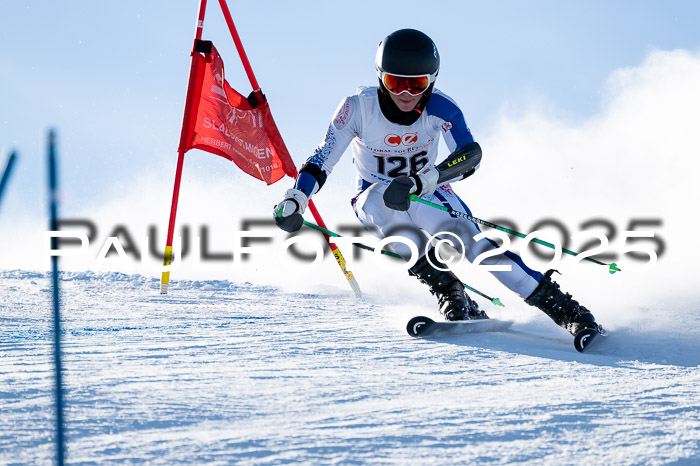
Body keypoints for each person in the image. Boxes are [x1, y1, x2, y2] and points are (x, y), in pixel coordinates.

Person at [273, 28, 600, 336]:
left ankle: (568, 311)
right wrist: (296, 198)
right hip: (375, 194)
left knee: (479, 248)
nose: (404, 94)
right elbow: (322, 159)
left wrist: (422, 180)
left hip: (427, 190)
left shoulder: (441, 108)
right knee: (376, 202)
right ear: (380, 78)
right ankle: (449, 290)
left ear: (430, 82)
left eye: (415, 85)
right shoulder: (357, 108)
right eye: (394, 82)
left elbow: (470, 155)